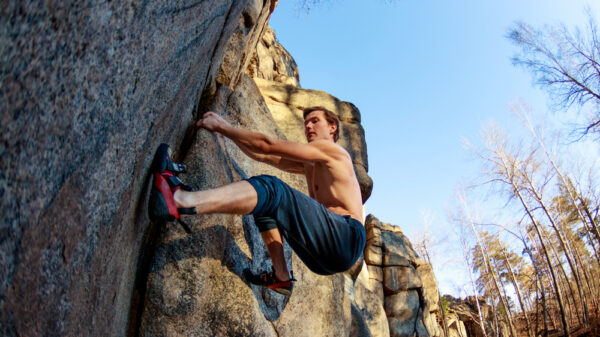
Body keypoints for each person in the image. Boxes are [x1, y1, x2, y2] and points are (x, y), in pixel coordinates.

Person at [148, 106, 366, 295]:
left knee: (273, 189)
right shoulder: (311, 165)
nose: (308, 126)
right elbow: (263, 155)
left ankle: (178, 200)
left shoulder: (333, 151)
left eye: (315, 121)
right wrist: (228, 135)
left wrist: (222, 126)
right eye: (306, 123)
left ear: (332, 127)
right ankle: (281, 276)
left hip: (347, 237)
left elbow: (267, 144)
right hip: (324, 258)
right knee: (266, 207)